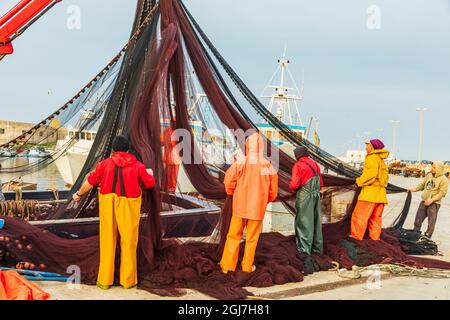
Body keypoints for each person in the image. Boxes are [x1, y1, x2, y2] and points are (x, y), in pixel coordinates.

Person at [72, 136, 155, 289]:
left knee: (107, 241)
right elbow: (150, 183)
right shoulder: (138, 166)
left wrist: (78, 194)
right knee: (129, 242)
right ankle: (128, 281)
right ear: (128, 150)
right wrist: (149, 172)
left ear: (113, 150)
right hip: (129, 206)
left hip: (108, 205)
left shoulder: (103, 165)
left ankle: (104, 281)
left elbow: (89, 183)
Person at [220, 132, 278, 273]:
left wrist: (231, 192)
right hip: (257, 209)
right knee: (252, 239)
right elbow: (273, 191)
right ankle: (247, 268)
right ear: (261, 147)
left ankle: (227, 267)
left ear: (248, 145)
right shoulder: (267, 165)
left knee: (233, 236)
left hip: (240, 207)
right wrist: (265, 200)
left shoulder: (241, 161)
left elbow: (229, 180)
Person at [350, 139, 389, 241]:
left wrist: (359, 181)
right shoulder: (381, 160)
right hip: (380, 196)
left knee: (359, 217)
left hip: (369, 195)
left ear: (372, 147)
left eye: (367, 145)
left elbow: (370, 175)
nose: (366, 147)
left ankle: (356, 238)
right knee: (375, 219)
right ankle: (375, 240)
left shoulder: (371, 158)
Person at [289, 146, 324, 255]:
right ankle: (317, 250)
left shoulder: (298, 165)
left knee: (304, 222)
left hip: (305, 196)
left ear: (297, 155)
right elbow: (321, 183)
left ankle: (304, 251)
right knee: (316, 222)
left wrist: (291, 187)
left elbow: (294, 185)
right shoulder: (316, 165)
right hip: (316, 196)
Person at [409, 161, 449, 238]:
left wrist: (432, 200)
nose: (432, 168)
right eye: (432, 166)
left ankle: (427, 238)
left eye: (434, 167)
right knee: (418, 219)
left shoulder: (444, 179)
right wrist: (414, 189)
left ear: (439, 168)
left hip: (434, 204)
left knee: (431, 223)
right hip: (424, 202)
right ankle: (415, 235)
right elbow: (422, 185)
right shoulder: (429, 175)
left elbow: (442, 193)